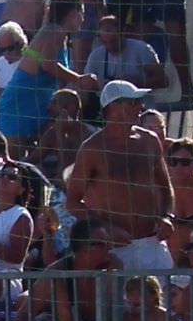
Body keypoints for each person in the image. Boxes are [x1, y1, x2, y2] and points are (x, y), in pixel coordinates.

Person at [65, 80, 171, 270]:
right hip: (115, 249)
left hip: (152, 242)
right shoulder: (92, 148)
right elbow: (73, 202)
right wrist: (106, 229)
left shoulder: (149, 140)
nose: (141, 106)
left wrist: (168, 216)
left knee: (166, 299)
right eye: (134, 101)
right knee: (121, 300)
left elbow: (165, 187)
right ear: (113, 106)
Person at [0, 0, 97, 150]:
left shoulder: (53, 32)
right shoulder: (54, 31)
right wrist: (79, 79)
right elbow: (48, 65)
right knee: (16, 161)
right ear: (73, 14)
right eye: (82, 14)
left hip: (38, 105)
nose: (83, 19)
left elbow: (41, 61)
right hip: (19, 106)